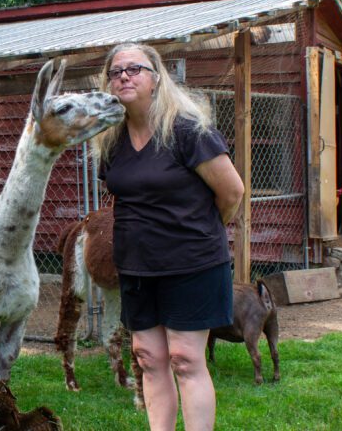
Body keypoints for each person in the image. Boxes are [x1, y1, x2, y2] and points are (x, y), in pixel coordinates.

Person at [94, 42, 244, 431]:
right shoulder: (110, 139)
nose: (123, 76)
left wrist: (199, 233)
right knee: (147, 356)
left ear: (157, 78)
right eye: (115, 71)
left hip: (192, 264)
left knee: (185, 359)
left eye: (134, 69)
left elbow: (231, 193)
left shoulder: (187, 129)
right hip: (136, 265)